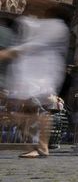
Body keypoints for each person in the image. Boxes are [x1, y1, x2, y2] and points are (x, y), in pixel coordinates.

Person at [0, 12, 69, 158]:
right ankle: (40, 147)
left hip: (39, 77)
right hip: (36, 76)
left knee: (28, 112)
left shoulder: (55, 27)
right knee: (29, 112)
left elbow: (35, 46)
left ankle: (40, 146)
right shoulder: (44, 26)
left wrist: (10, 52)